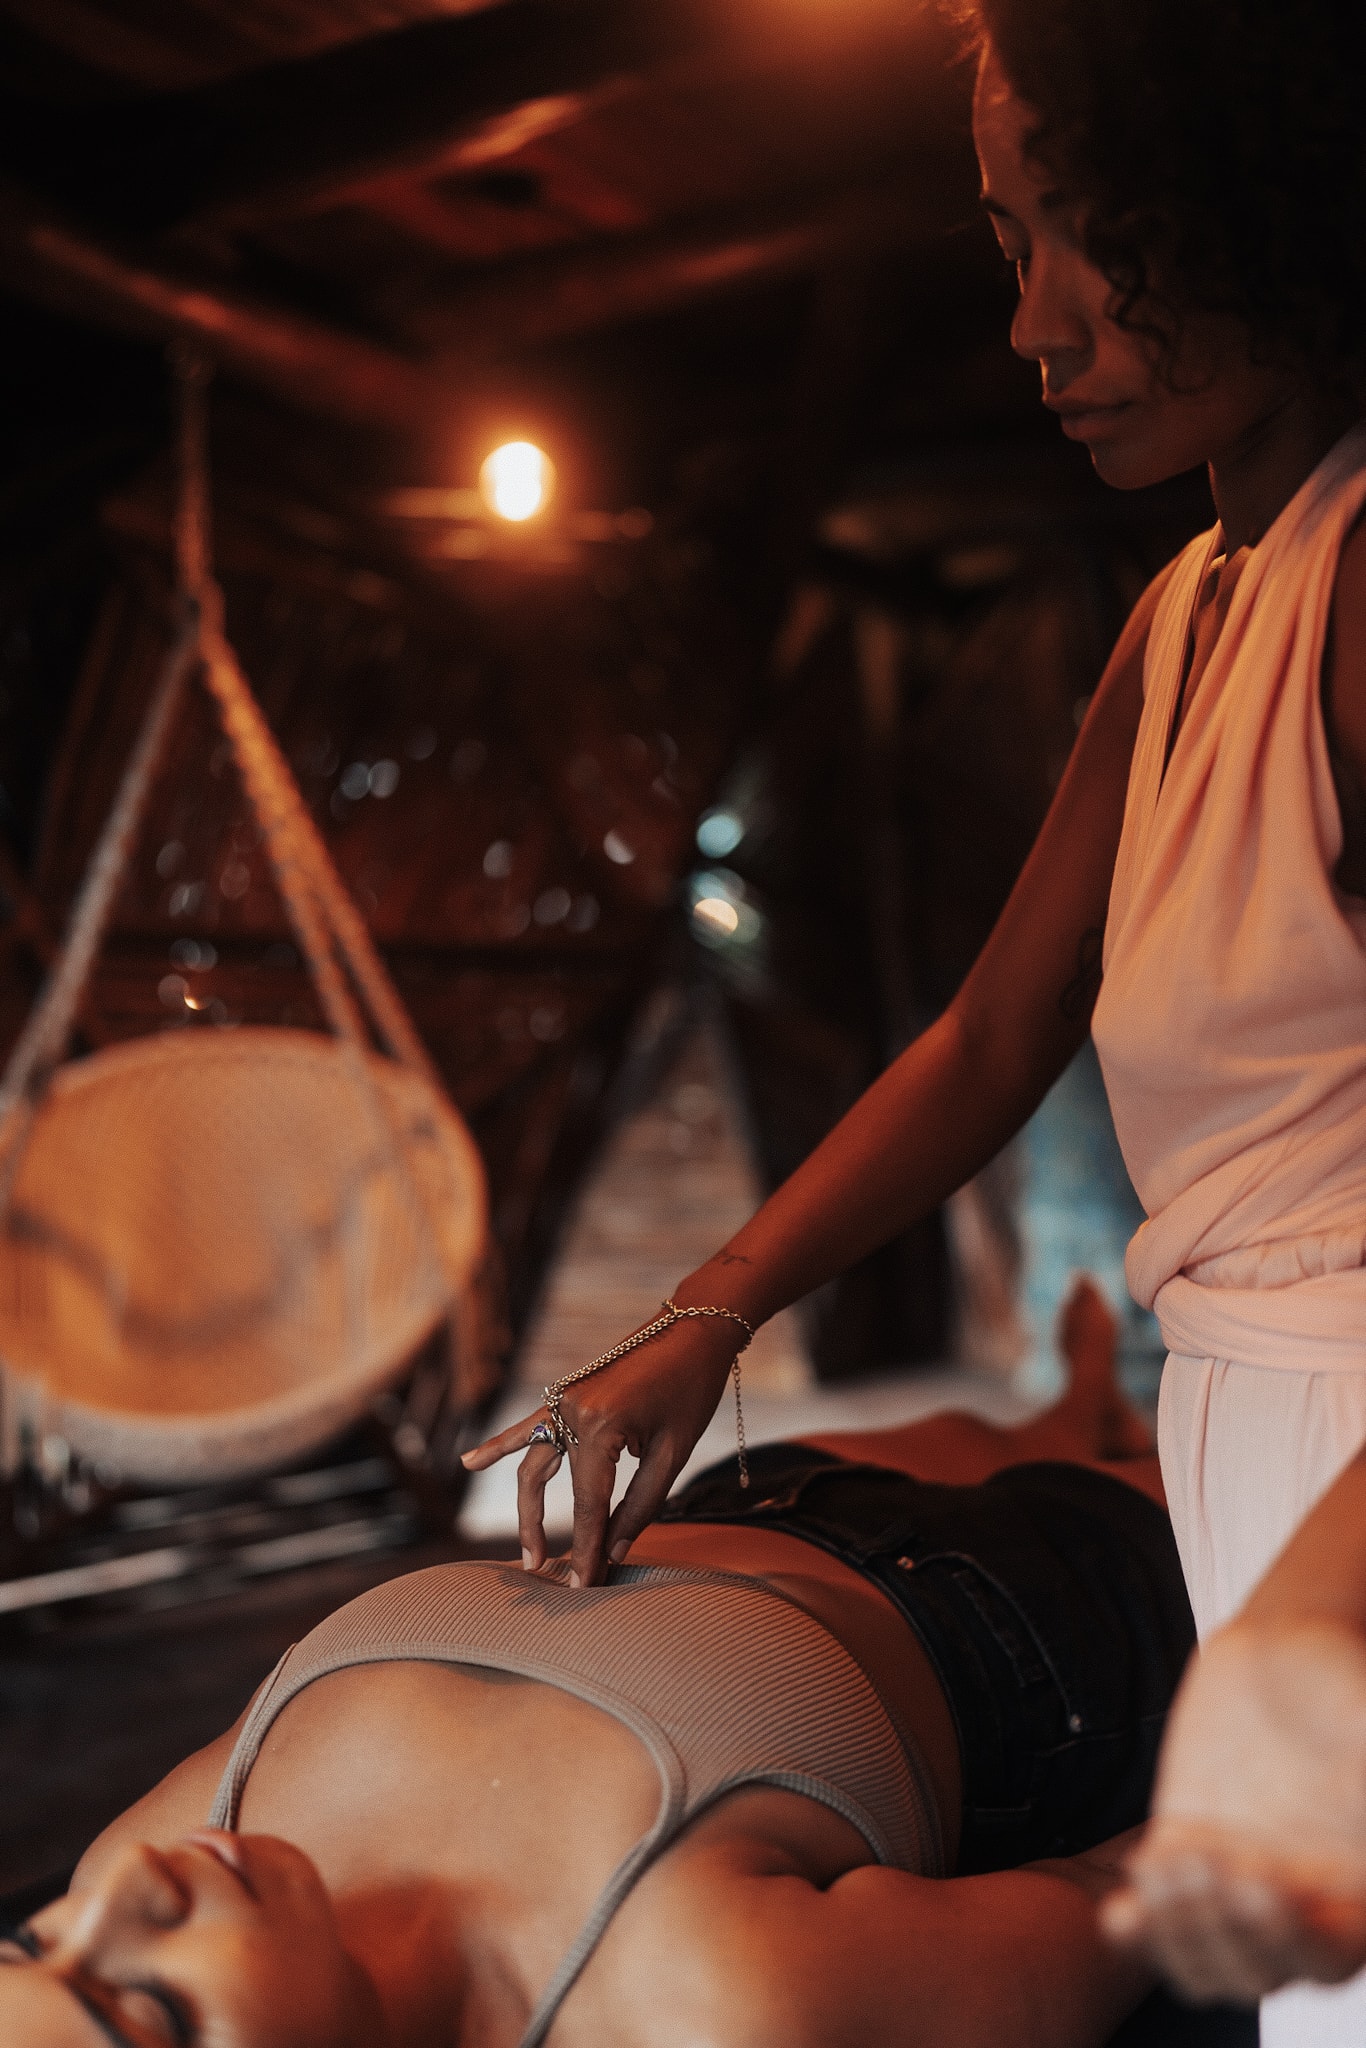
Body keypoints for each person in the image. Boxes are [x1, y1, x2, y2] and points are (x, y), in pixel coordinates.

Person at [463, 3, 1366, 2037]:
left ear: (1264, 204)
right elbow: (985, 1034)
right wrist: (705, 1316)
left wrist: (1323, 1616)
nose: (1035, 324)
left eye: (1089, 234)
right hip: (1244, 1432)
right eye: (1004, 243)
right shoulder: (1190, 612)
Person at [0, 1284, 1194, 2048]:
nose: (125, 1886)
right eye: (147, 2006)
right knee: (1210, 1458)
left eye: (33, 1942)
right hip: (1025, 1628)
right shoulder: (701, 2000)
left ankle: (1070, 1404)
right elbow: (1134, 1889)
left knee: (1005, 1432)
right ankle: (1106, 1434)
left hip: (727, 1500)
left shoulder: (145, 1853)